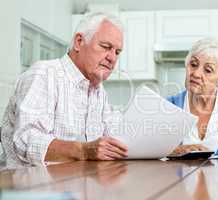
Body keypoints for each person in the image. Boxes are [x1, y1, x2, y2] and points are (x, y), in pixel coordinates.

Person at [1, 12, 128, 166]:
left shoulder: (99, 91)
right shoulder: (44, 74)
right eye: (106, 47)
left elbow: (116, 135)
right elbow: (25, 140)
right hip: (30, 185)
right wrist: (83, 151)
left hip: (76, 183)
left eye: (117, 52)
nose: (112, 58)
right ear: (79, 42)